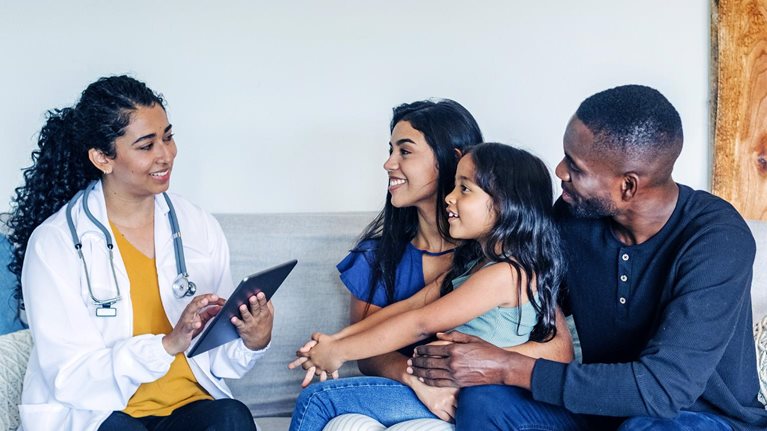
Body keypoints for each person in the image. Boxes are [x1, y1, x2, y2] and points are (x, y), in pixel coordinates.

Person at [408, 85, 767, 430]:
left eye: (576, 167)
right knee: (485, 401)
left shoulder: (716, 240)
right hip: (594, 409)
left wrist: (506, 365)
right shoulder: (572, 216)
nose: (560, 171)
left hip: (699, 418)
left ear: (627, 186)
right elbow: (527, 295)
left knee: (649, 427)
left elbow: (663, 390)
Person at [6, 76, 273, 431]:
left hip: (188, 405)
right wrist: (166, 344)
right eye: (146, 146)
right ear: (102, 158)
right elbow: (70, 377)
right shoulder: (53, 244)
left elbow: (219, 358)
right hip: (98, 414)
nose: (165, 154)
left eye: (168, 137)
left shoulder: (196, 225)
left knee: (231, 417)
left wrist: (253, 338)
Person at [289, 143, 573, 431]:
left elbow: (421, 323)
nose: (449, 198)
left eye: (464, 189)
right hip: (437, 386)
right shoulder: (477, 265)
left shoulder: (506, 275)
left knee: (319, 400)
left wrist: (341, 352)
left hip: (460, 395)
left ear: (504, 203)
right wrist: (335, 342)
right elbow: (411, 306)